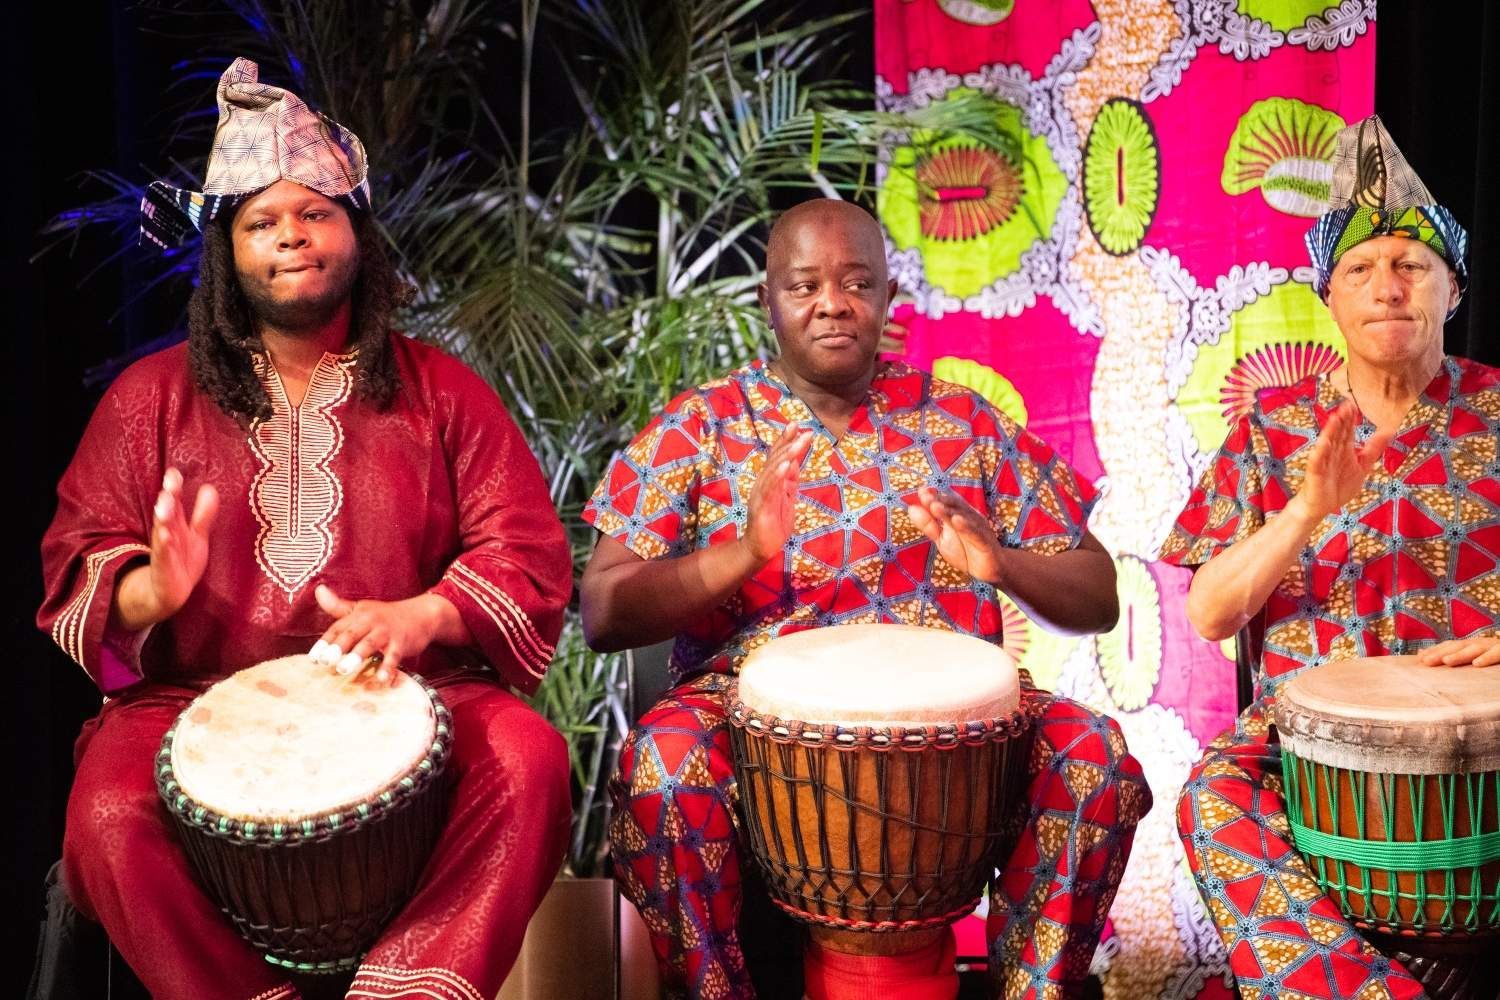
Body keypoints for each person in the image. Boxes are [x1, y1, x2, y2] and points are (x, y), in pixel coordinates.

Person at [40, 58, 574, 1000]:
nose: (292, 235)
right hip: (190, 696)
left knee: (530, 761)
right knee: (107, 818)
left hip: (412, 689)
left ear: (355, 232)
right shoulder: (149, 400)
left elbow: (523, 549)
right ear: (228, 252)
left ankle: (414, 985)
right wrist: (153, 589)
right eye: (262, 221)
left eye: (316, 212)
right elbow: (80, 567)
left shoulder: (441, 391)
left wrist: (424, 615)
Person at [581, 198, 1152, 1000]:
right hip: (745, 714)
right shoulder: (700, 425)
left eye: (856, 282)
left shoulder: (964, 421)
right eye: (804, 284)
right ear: (768, 300)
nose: (832, 303)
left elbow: (1097, 597)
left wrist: (1001, 564)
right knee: (660, 770)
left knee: (1094, 759)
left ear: (888, 298)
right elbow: (604, 611)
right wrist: (744, 554)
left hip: (957, 726)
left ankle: (1033, 989)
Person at [1161, 114, 1496, 999]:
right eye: (1360, 269)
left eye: (1411, 266)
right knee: (1211, 802)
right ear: (1330, 296)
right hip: (1302, 740)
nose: (1387, 287)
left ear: (1451, 290)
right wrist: (1308, 507)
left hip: (1493, 737)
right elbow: (1210, 613)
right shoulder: (1270, 429)